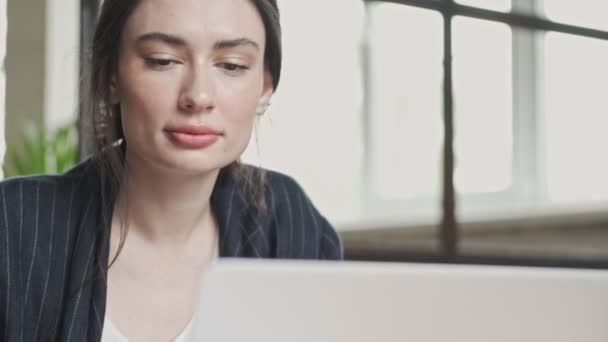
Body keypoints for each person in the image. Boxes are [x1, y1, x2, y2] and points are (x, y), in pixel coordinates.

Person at [0, 0, 343, 341]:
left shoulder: (291, 226)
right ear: (111, 77)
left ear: (265, 87)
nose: (198, 96)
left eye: (233, 65)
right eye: (162, 61)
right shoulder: (14, 228)